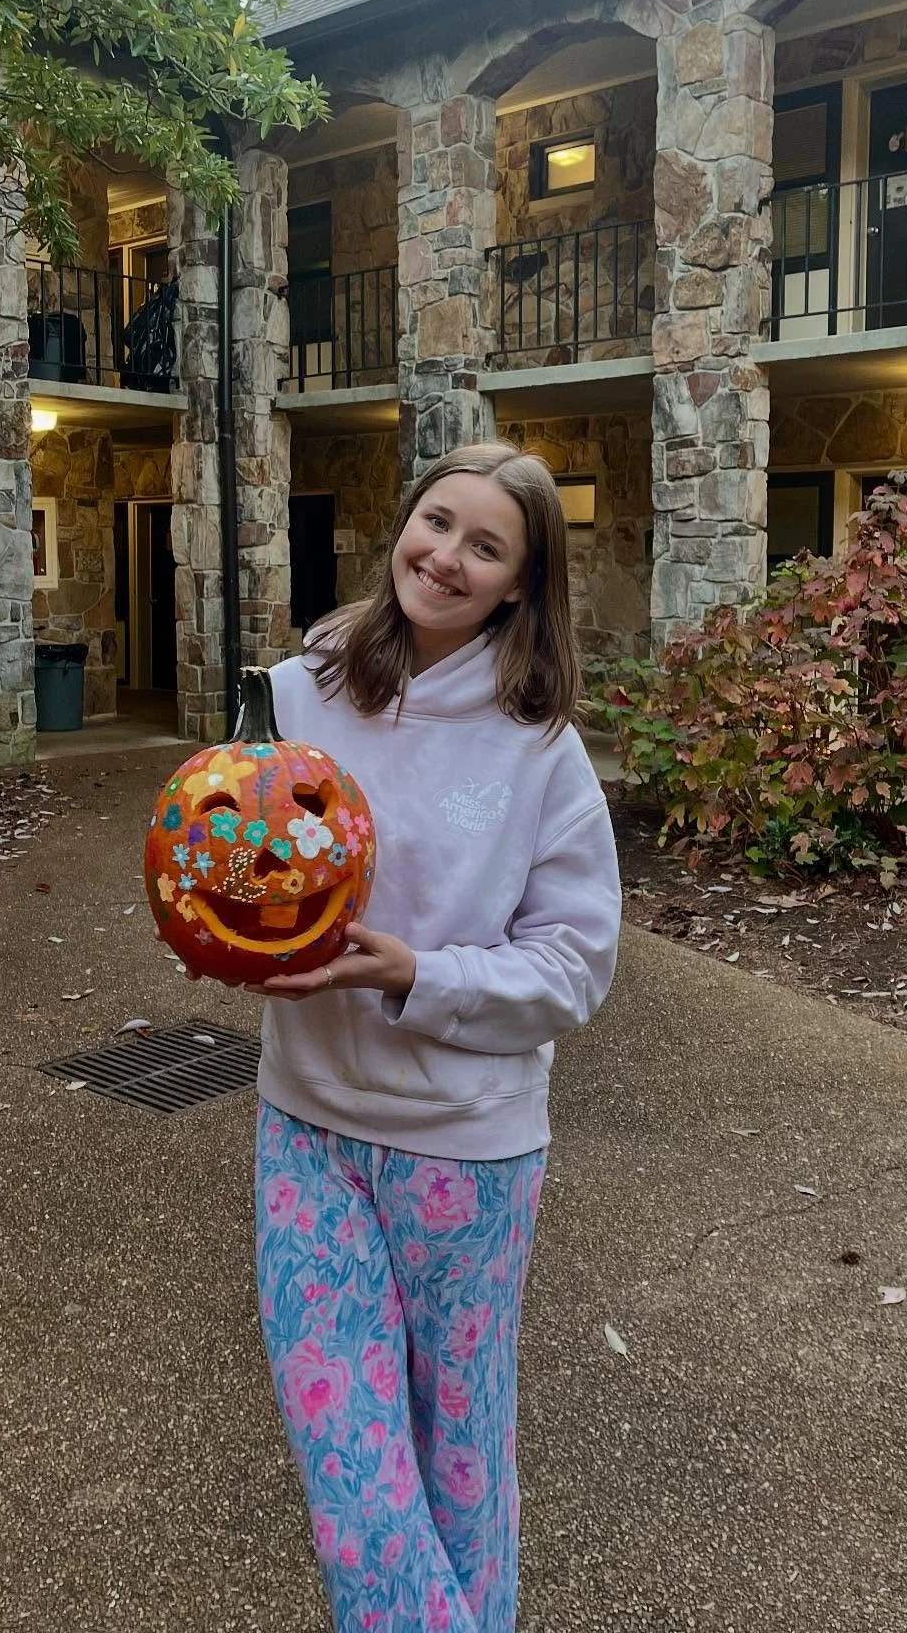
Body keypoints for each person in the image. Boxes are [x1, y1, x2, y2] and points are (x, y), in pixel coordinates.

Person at [253, 439, 622, 1633]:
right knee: (353, 1476)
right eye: (434, 522)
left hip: (467, 1150)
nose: (445, 556)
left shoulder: (540, 751)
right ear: (399, 525)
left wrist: (420, 976)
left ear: (521, 582)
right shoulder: (295, 693)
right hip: (305, 1127)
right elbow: (236, 855)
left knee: (461, 1460)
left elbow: (574, 966)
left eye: (485, 545)